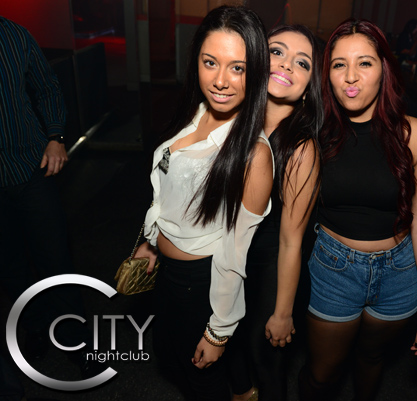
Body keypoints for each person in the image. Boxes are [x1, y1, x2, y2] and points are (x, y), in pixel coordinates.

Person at [134, 6, 273, 400]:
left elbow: (234, 254)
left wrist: (218, 331)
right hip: (168, 273)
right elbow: (169, 192)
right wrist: (150, 242)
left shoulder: (253, 154)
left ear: (256, 72)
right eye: (210, 62)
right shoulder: (194, 115)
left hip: (200, 285)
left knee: (200, 378)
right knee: (174, 358)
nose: (220, 81)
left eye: (238, 68)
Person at [298, 19, 417, 401]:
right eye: (339, 64)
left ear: (385, 70)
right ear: (326, 75)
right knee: (322, 374)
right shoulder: (314, 134)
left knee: (372, 358)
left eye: (364, 62)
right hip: (333, 269)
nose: (351, 76)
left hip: (400, 273)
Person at [227, 24, 322, 401]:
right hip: (225, 256)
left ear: (310, 85)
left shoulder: (301, 148)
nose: (285, 64)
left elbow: (291, 240)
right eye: (277, 52)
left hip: (270, 267)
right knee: (227, 345)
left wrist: (283, 312)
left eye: (302, 62)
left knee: (266, 361)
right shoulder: (230, 119)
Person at [0, 16, 98, 378]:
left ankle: (74, 338)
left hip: (32, 167)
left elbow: (47, 87)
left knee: (55, 258)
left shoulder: (14, 35)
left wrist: (56, 136)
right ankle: (36, 326)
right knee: (9, 265)